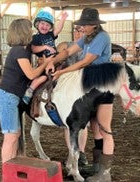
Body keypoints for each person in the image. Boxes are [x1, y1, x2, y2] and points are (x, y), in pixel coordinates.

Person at [46, 8, 113, 182]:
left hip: (101, 84)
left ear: (94, 25)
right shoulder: (87, 37)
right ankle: (85, 162)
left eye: (85, 25)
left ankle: (103, 172)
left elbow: (85, 61)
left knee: (102, 129)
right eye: (81, 25)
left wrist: (62, 73)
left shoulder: (102, 37)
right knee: (86, 123)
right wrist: (52, 61)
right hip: (88, 85)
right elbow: (68, 51)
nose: (81, 28)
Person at [0, 18, 52, 164]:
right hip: (7, 96)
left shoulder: (23, 50)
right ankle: (7, 172)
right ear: (24, 31)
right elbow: (31, 74)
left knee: (15, 134)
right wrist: (45, 64)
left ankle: (12, 166)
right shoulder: (19, 51)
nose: (32, 31)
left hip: (11, 97)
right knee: (11, 136)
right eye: (29, 29)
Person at [57, 25, 90, 170]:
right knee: (68, 123)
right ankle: (72, 152)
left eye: (81, 31)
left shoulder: (89, 47)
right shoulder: (67, 45)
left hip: (82, 85)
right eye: (76, 30)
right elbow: (58, 51)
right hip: (67, 84)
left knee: (84, 124)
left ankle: (81, 152)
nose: (78, 33)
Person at [22, 10, 68, 104]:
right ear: (37, 24)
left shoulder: (50, 35)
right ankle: (30, 91)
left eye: (47, 25)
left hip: (55, 60)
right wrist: (46, 47)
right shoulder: (35, 38)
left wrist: (62, 19)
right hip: (45, 63)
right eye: (42, 24)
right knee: (44, 77)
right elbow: (34, 49)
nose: (44, 26)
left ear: (50, 27)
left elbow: (58, 29)